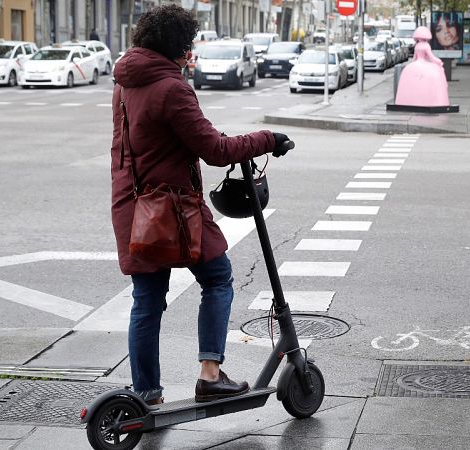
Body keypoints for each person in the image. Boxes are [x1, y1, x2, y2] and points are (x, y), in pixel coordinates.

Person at [110, 4, 292, 405]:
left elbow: (142, 143)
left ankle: (146, 393)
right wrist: (268, 138)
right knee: (217, 278)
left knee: (147, 299)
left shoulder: (125, 83)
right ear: (177, 47)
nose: (190, 55)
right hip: (173, 210)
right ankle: (210, 374)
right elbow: (214, 150)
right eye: (188, 46)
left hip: (132, 206)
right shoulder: (172, 87)